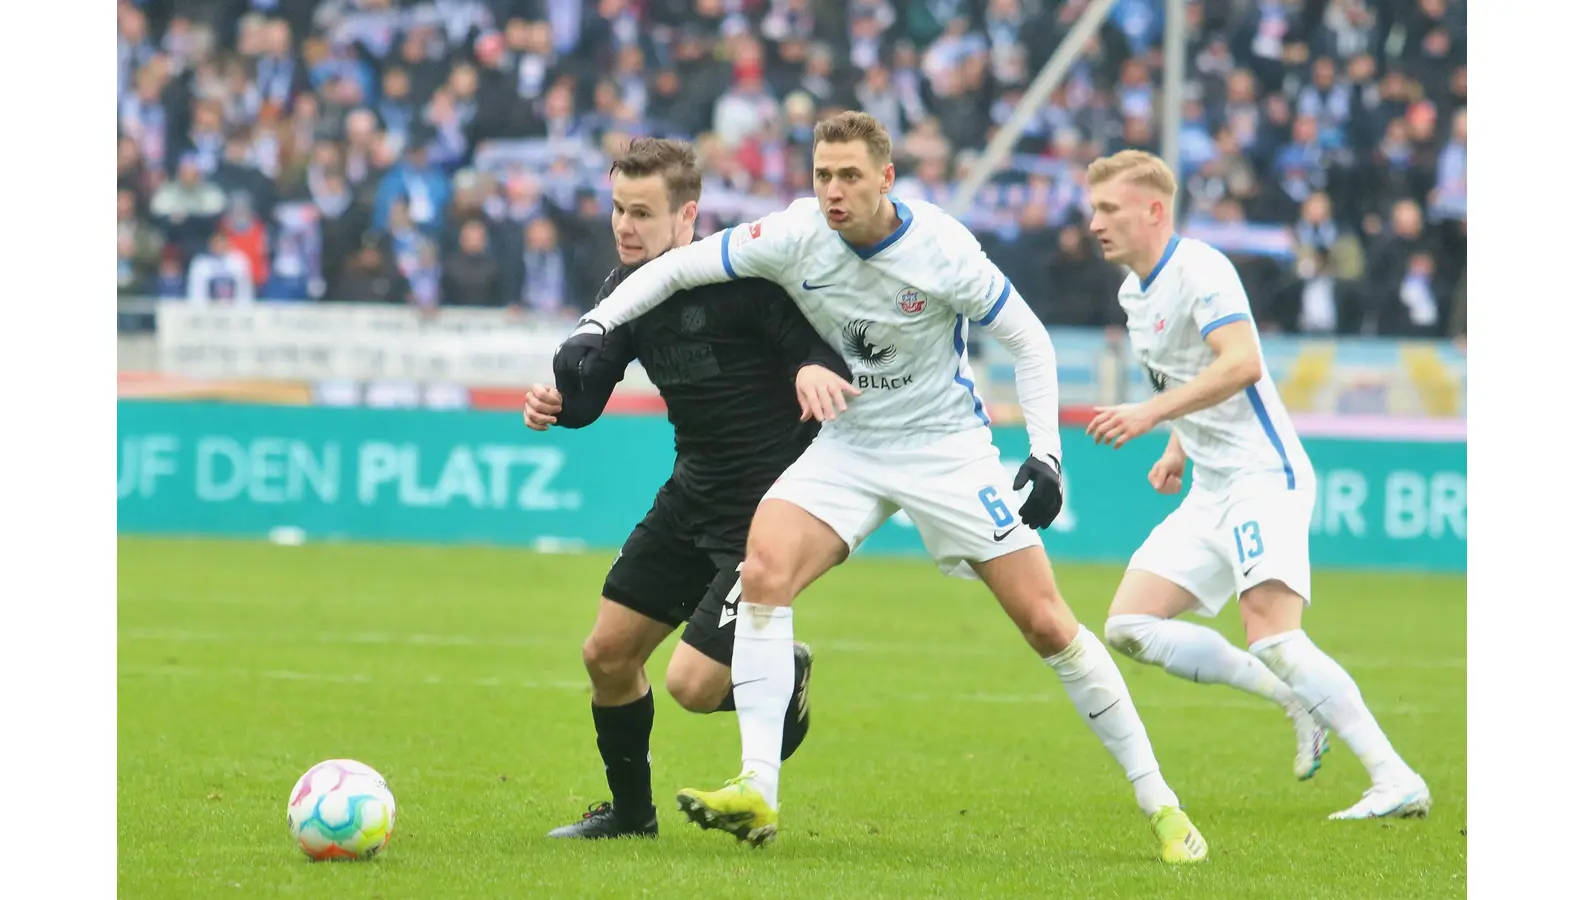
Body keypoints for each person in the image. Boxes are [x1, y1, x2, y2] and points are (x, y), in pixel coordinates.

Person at [553, 112, 1208, 863]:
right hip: (850, 447)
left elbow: (1028, 338)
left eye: (850, 176)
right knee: (765, 567)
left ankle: (1162, 804)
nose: (833, 191)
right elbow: (674, 269)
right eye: (823, 175)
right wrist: (595, 326)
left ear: (886, 178)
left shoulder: (943, 248)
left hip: (946, 451)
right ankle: (758, 786)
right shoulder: (796, 233)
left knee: (1046, 624)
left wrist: (1047, 455)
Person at [1082, 149, 1431, 821]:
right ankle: (1292, 698)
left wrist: (1152, 415)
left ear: (1154, 211)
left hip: (1263, 478)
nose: (1094, 223)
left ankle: (1396, 778)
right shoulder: (1135, 291)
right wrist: (1178, 445)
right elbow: (1192, 370)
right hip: (1212, 483)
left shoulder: (1202, 269)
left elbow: (1242, 362)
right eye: (1094, 208)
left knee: (1275, 636)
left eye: (1108, 209)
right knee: (1129, 624)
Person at [527, 138, 856, 840]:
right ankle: (631, 817)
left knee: (692, 687)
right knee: (606, 656)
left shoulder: (745, 279)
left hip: (764, 515)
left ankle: (781, 676)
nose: (624, 226)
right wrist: (557, 404)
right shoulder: (627, 290)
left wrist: (809, 371)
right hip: (690, 495)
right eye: (618, 209)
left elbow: (819, 350)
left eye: (641, 213)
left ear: (688, 216)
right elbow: (591, 397)